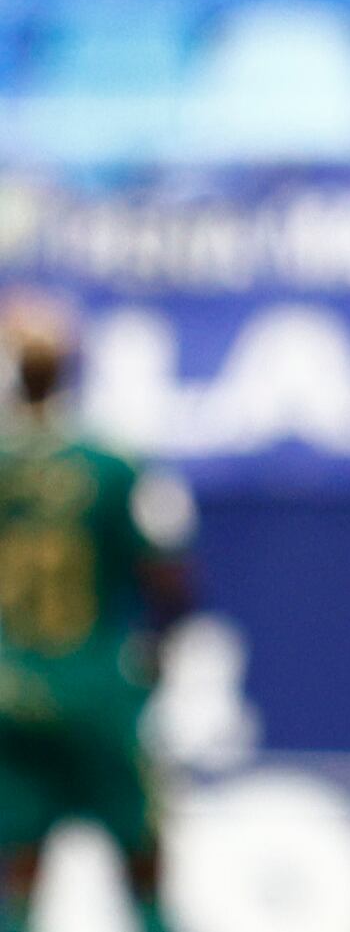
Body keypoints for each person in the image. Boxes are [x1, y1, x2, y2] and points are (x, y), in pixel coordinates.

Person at [0, 297, 194, 932]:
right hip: (95, 683)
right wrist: (158, 653)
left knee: (22, 861)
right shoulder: (112, 464)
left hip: (11, 686)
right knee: (141, 854)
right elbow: (169, 576)